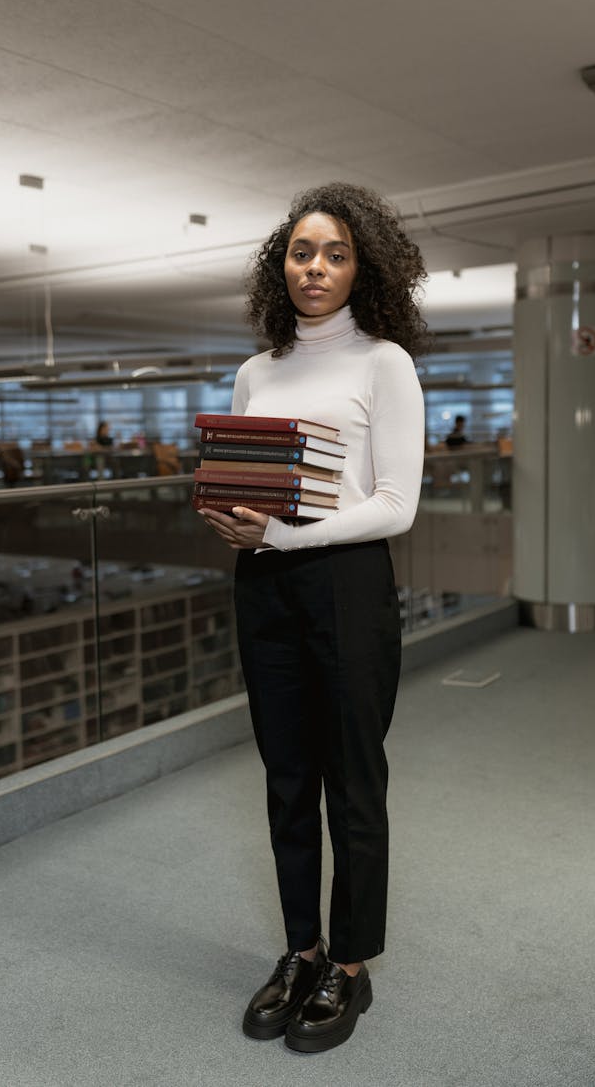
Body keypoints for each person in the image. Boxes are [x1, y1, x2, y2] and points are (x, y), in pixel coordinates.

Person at [198, 182, 427, 1053]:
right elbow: (248, 482)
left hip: (347, 586)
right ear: (279, 265)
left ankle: (352, 966)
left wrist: (287, 535)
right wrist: (229, 516)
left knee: (352, 780)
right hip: (264, 583)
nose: (316, 267)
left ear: (361, 264)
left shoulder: (384, 362)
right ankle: (301, 950)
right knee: (287, 775)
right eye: (301, 252)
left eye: (334, 252)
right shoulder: (258, 370)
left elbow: (396, 504)